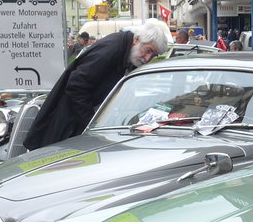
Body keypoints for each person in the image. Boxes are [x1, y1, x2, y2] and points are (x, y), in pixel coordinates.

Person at [23, 19, 170, 151]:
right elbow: (76, 84)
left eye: (153, 55)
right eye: (148, 51)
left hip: (74, 123)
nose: (148, 58)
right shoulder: (113, 49)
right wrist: (91, 122)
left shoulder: (125, 51)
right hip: (67, 125)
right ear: (136, 40)